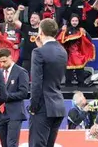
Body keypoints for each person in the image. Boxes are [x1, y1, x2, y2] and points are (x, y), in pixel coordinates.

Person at [29, 19, 68, 147]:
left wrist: (33, 107)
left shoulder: (38, 52)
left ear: (40, 32)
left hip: (43, 106)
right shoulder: (62, 51)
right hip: (58, 105)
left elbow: (36, 82)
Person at [0, 48, 29, 147]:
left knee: (12, 143)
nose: (2, 64)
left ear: (10, 57)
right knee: (4, 143)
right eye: (0, 62)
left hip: (15, 113)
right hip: (1, 113)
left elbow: (23, 93)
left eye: (4, 61)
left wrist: (5, 96)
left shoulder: (21, 72)